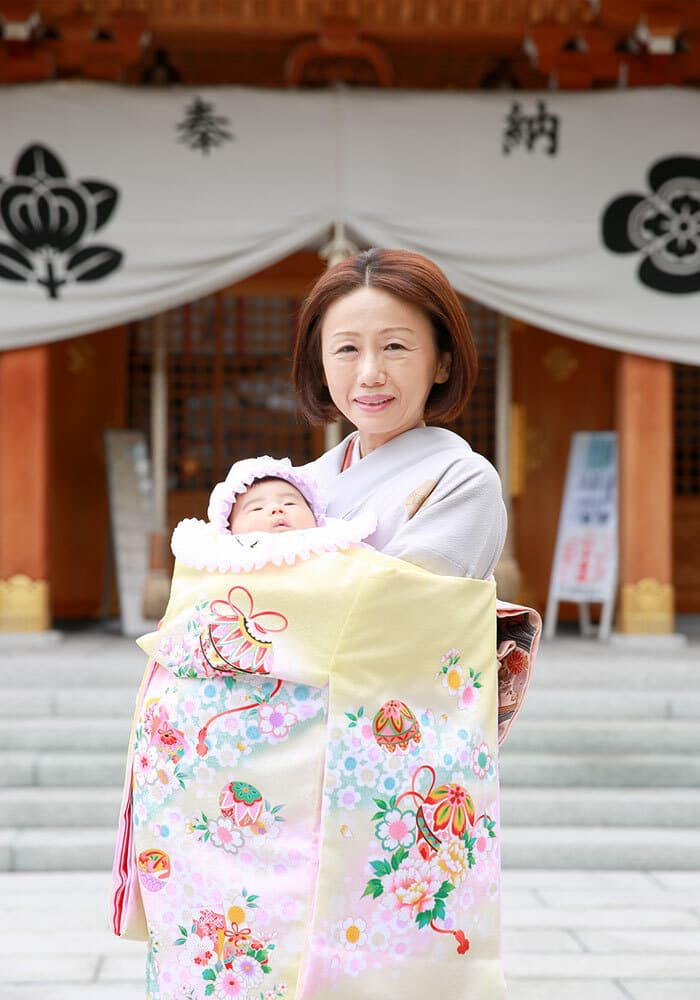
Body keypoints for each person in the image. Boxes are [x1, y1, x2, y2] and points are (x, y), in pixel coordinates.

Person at [293, 247, 507, 580]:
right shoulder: (299, 486)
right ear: (321, 366)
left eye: (394, 346)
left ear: (442, 364)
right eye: (347, 348)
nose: (369, 374)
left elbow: (402, 607)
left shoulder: (464, 480)